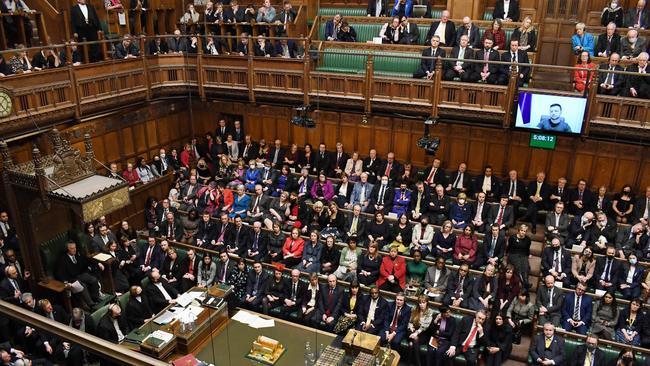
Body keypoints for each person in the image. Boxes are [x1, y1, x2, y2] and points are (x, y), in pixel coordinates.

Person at [406, 295, 433, 366]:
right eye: (420, 303)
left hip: (423, 333)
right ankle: (418, 364)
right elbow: (410, 322)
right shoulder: (414, 309)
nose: (421, 305)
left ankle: (409, 363)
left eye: (423, 302)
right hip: (411, 330)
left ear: (427, 303)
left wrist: (416, 333)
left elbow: (425, 326)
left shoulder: (429, 312)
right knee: (414, 339)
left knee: (411, 344)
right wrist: (411, 328)